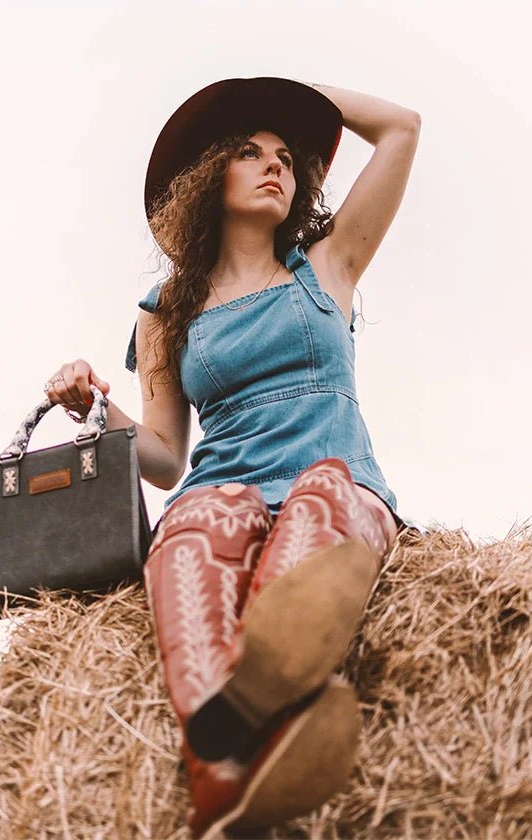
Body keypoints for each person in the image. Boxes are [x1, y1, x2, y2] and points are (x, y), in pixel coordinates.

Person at [42, 77, 421, 839]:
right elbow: (162, 458)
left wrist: (292, 87)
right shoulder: (164, 315)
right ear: (211, 176)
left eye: (286, 156)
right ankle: (221, 772)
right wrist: (93, 408)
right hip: (221, 486)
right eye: (249, 152)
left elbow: (402, 127)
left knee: (321, 494)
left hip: (335, 479)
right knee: (197, 521)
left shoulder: (330, 265)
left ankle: (251, 697)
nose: (275, 164)